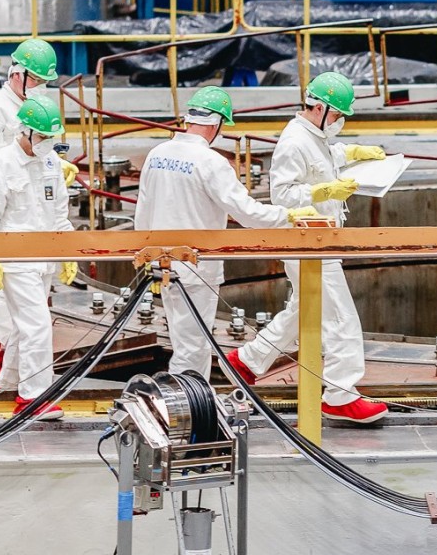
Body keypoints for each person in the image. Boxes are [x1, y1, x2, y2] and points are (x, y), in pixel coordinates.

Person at [224, 71, 390, 424]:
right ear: (319, 108)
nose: (341, 121)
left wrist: (353, 153)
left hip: (318, 239)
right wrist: (325, 191)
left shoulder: (315, 135)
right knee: (341, 318)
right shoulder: (293, 141)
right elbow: (282, 195)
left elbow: (324, 157)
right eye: (338, 114)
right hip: (306, 240)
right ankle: (340, 396)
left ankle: (247, 360)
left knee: (305, 310)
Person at [133, 86, 316, 378]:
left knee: (183, 338)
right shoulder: (211, 162)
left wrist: (146, 255)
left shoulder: (157, 154)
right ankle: (188, 398)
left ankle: (187, 395)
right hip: (196, 267)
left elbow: (143, 210)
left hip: (161, 264)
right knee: (194, 345)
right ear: (217, 124)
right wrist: (288, 215)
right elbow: (246, 212)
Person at [0, 38, 78, 381]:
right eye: (37, 80)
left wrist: (54, 165)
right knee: (26, 299)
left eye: (45, 82)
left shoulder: (38, 106)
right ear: (17, 74)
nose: (41, 87)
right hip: (2, 204)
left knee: (28, 295)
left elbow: (44, 148)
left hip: (32, 208)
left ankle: (6, 366)